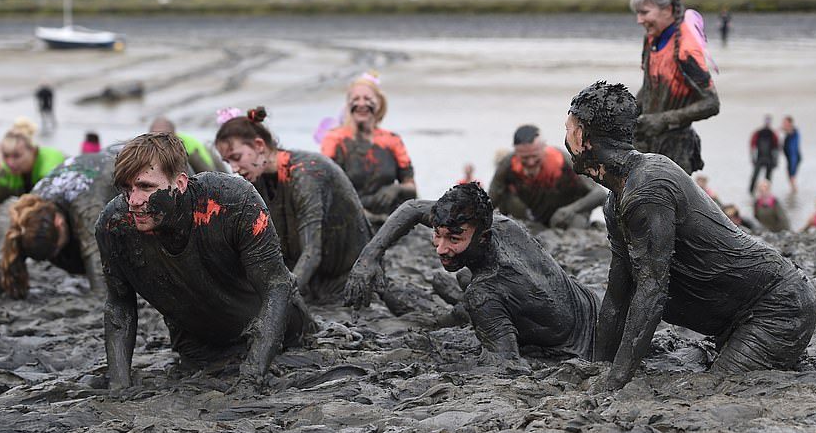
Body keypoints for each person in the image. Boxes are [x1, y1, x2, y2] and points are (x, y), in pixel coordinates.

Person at [565, 81, 816, 391]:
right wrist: (599, 368)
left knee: (714, 390)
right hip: (732, 319)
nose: (564, 139)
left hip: (777, 307)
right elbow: (618, 294)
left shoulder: (648, 188)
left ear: (581, 137)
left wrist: (616, 382)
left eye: (568, 129)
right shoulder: (616, 198)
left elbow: (652, 291)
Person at [96, 132, 314, 389]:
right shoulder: (114, 224)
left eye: (145, 187)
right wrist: (119, 386)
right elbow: (119, 305)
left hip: (284, 338)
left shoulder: (233, 201)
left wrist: (253, 375)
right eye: (126, 188)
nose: (133, 201)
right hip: (198, 351)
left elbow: (277, 286)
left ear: (180, 183)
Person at [344, 182, 598, 370]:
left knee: (464, 292)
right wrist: (368, 259)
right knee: (461, 279)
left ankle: (455, 308)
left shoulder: (483, 294)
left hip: (581, 344)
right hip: (589, 304)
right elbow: (411, 207)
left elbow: (507, 367)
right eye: (437, 234)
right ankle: (456, 301)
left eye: (454, 239)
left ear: (483, 237)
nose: (441, 248)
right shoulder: (504, 225)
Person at [215, 107, 372, 300]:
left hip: (347, 281)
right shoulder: (258, 177)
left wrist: (281, 301)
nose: (234, 168)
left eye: (236, 158)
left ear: (259, 145)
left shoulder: (306, 173)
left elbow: (312, 251)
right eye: (227, 161)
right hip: (313, 282)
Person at [0, 149, 118, 299]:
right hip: (78, 172)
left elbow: (100, 276)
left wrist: (99, 293)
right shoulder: (28, 209)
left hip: (107, 170)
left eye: (57, 248)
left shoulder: (87, 209)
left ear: (59, 222)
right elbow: (7, 256)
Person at [630, 0, 720, 175]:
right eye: (637, 13)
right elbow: (650, 86)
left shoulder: (686, 49)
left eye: (644, 13)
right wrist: (628, 113)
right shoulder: (652, 38)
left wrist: (662, 119)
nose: (639, 20)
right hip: (645, 141)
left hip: (676, 149)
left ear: (668, 10)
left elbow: (712, 103)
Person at [320, 73, 416, 220]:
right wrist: (364, 215)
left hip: (388, 218)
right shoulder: (334, 139)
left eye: (367, 98)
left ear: (379, 103)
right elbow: (326, 188)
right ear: (348, 105)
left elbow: (411, 188)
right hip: (348, 219)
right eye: (355, 99)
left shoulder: (392, 140)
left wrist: (396, 188)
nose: (361, 104)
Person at [488, 124, 606, 228]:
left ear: (543, 148)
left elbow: (600, 193)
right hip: (531, 217)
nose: (530, 162)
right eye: (525, 158)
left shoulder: (564, 161)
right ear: (516, 153)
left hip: (565, 216)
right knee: (507, 198)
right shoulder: (507, 165)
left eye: (534, 156)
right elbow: (491, 200)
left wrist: (571, 209)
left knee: (577, 221)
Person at [0, 118, 66, 229]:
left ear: (33, 151)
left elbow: (60, 211)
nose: (10, 163)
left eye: (17, 156)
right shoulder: (5, 174)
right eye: (6, 156)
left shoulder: (49, 172)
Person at [149, 116, 216, 174]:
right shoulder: (148, 146)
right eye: (154, 137)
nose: (158, 142)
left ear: (174, 135)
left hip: (211, 161)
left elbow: (207, 172)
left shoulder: (188, 149)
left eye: (162, 137)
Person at [749, 115, 780, 194]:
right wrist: (753, 158)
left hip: (769, 158)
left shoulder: (773, 134)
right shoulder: (758, 133)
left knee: (768, 178)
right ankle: (751, 192)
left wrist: (775, 160)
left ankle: (767, 193)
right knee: (755, 177)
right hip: (760, 158)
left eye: (768, 122)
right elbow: (752, 145)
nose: (767, 123)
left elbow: (777, 147)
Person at [782, 116, 802, 193]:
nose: (783, 124)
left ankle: (794, 191)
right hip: (790, 158)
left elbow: (793, 150)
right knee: (790, 176)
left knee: (792, 176)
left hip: (794, 158)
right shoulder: (788, 132)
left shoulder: (794, 132)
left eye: (785, 122)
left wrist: (793, 167)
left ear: (790, 123)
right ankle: (793, 190)